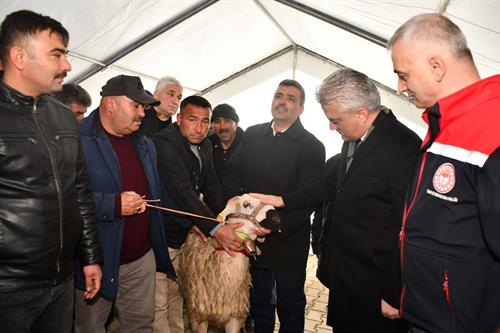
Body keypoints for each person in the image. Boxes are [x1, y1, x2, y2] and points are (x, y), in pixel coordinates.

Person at [253, 69, 421, 332]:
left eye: (335, 120)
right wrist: (282, 199)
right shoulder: (355, 137)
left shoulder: (402, 147)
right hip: (347, 274)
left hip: (377, 283)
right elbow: (328, 185)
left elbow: (409, 226)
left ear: (361, 113)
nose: (332, 127)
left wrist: (394, 290)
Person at [387, 13, 500, 333]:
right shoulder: (445, 122)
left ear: (436, 66)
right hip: (428, 316)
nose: (400, 87)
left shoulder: (492, 125)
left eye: (403, 75)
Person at [0, 10, 102, 333]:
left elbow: (80, 192)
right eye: (57, 55)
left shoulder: (62, 116)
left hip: (62, 281)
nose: (67, 66)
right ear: (19, 57)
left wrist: (90, 257)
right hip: (9, 291)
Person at [74, 74, 177, 333]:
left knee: (141, 325)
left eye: (144, 107)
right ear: (110, 104)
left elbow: (159, 191)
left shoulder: (145, 143)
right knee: (91, 327)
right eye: (136, 106)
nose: (143, 113)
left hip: (141, 258)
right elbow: (62, 200)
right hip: (95, 260)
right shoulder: (76, 140)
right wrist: (113, 205)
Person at [223, 79, 325, 333]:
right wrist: (235, 213)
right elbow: (235, 175)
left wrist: (275, 227)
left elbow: (309, 197)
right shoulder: (253, 134)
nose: (282, 101)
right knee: (259, 304)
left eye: (291, 98)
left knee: (290, 305)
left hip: (288, 240)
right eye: (279, 95)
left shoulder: (312, 147)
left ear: (301, 109)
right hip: (252, 239)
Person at [153, 95, 252, 333]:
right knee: (158, 300)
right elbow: (182, 191)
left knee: (178, 293)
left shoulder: (205, 144)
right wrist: (216, 229)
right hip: (159, 233)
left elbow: (211, 185)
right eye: (192, 120)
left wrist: (228, 219)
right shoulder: (164, 143)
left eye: (205, 121)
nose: (199, 128)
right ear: (179, 119)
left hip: (183, 233)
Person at [208, 103, 244, 179]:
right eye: (217, 121)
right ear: (212, 125)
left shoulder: (248, 144)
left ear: (236, 124)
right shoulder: (207, 145)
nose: (222, 127)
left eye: (227, 121)